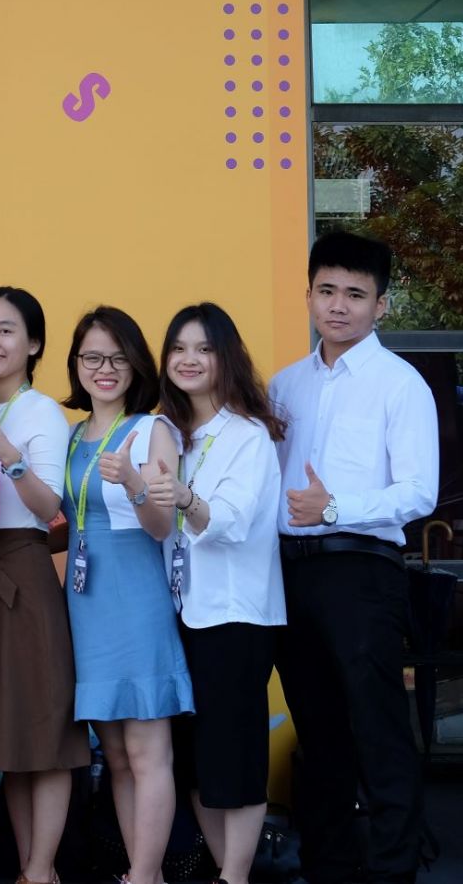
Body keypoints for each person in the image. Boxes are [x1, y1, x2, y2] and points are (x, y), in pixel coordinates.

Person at [269, 231, 438, 884]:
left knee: (378, 729)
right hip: (290, 572)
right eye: (327, 290)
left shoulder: (401, 385)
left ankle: (394, 871)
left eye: (356, 294)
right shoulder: (284, 385)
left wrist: (335, 507)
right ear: (309, 295)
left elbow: (418, 491)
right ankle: (330, 867)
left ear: (381, 305)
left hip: (362, 572)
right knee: (318, 733)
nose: (339, 306)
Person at [150, 303, 285, 884]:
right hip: (181, 613)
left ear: (225, 357)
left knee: (236, 757)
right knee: (193, 760)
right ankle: (225, 872)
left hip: (235, 618)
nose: (189, 359)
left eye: (203, 349)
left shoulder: (248, 435)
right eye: (179, 348)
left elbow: (230, 521)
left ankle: (235, 877)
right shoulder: (170, 434)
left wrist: (183, 498)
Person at [0, 287, 91, 884]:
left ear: (34, 343)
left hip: (23, 573)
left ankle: (42, 869)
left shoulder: (39, 411)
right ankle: (28, 868)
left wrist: (10, 457)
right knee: (6, 735)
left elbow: (48, 507)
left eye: (6, 330)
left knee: (44, 730)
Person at [59, 306, 190, 884]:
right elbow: (71, 521)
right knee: (114, 757)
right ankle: (145, 873)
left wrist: (136, 483)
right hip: (86, 605)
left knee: (147, 753)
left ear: (136, 365)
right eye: (92, 357)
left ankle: (142, 875)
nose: (104, 369)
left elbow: (162, 527)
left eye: (117, 358)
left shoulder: (153, 429)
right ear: (76, 364)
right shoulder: (71, 436)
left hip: (135, 601)